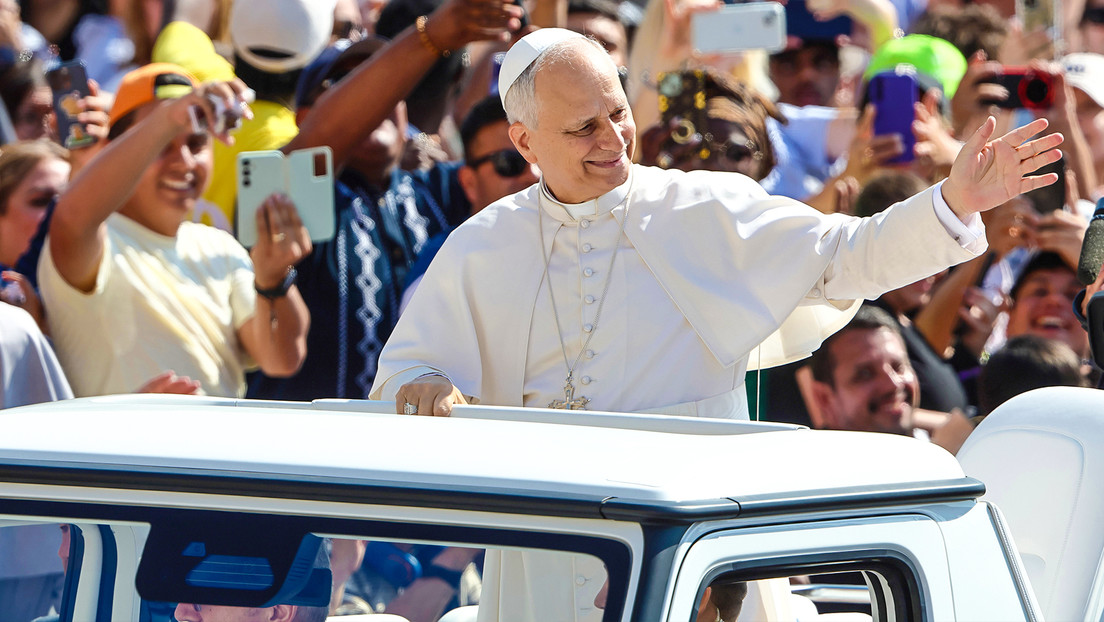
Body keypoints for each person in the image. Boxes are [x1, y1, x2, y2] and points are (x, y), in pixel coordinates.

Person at [371, 27, 1062, 420]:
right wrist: (424, 383)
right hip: (552, 540)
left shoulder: (701, 208)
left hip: (690, 540)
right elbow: (404, 374)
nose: (613, 141)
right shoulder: (483, 246)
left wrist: (955, 201)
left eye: (617, 113)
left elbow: (848, 255)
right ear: (525, 143)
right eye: (583, 128)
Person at [37, 63, 311, 398]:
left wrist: (274, 282)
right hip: (120, 452)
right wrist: (170, 118)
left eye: (196, 143)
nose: (183, 162)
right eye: (164, 144)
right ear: (119, 148)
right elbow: (74, 216)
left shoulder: (220, 247)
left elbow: (282, 360)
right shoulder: (98, 238)